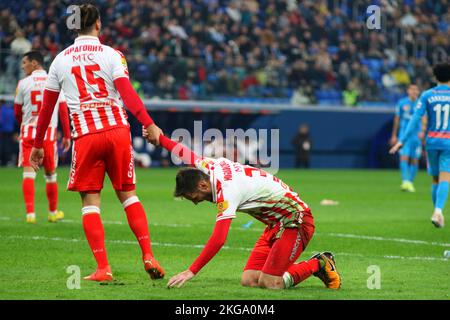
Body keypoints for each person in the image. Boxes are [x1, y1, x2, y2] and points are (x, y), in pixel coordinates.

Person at [29, 4, 165, 281]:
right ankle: (148, 255)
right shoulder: (112, 55)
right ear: (99, 25)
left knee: (90, 203)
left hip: (86, 136)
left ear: (74, 26)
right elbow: (127, 94)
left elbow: (47, 108)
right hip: (117, 131)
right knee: (128, 195)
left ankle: (103, 268)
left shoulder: (60, 60)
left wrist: (38, 143)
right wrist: (148, 123)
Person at [145, 132, 341, 290]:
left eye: (192, 197)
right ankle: (289, 266)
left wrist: (191, 271)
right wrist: (160, 139)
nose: (195, 202)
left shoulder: (227, 190)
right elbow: (186, 154)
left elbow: (219, 239)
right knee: (249, 280)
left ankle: (319, 263)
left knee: (270, 283)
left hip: (295, 220)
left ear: (203, 186)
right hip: (275, 224)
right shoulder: (209, 167)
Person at [14, 51, 71, 223]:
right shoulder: (53, 81)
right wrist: (67, 135)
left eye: (25, 62)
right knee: (50, 175)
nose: (23, 66)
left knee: (28, 175)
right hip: (48, 135)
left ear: (35, 63)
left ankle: (30, 214)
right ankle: (52, 212)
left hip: (29, 133)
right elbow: (62, 110)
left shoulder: (23, 83)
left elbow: (17, 111)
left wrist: (24, 124)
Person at [390, 62, 450, 228]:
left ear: (435, 77)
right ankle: (438, 211)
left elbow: (415, 118)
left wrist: (401, 140)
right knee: (446, 177)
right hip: (448, 142)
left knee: (435, 178)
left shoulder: (427, 95)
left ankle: (437, 212)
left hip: (431, 141)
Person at [389, 84, 424, 192]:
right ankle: (405, 181)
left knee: (414, 159)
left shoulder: (421, 103)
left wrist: (423, 131)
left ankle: (410, 182)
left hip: (416, 135)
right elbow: (397, 119)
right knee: (404, 157)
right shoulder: (402, 103)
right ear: (408, 91)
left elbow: (425, 118)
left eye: (416, 90)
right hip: (404, 135)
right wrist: (394, 135)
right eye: (412, 89)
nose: (414, 91)